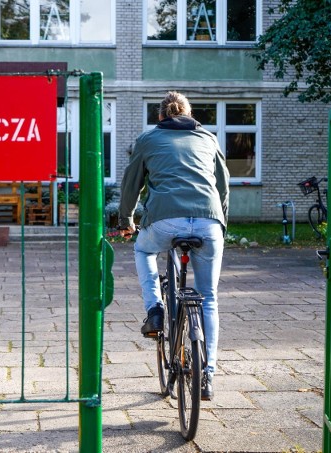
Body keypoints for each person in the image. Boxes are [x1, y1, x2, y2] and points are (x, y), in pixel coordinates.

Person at [118, 91, 230, 401]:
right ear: (189, 113)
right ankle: (207, 376)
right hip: (209, 222)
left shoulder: (148, 139)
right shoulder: (208, 138)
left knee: (143, 250)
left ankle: (155, 310)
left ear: (160, 116)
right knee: (209, 298)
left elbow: (132, 182)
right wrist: (221, 224)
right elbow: (222, 185)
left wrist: (126, 219)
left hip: (164, 222)